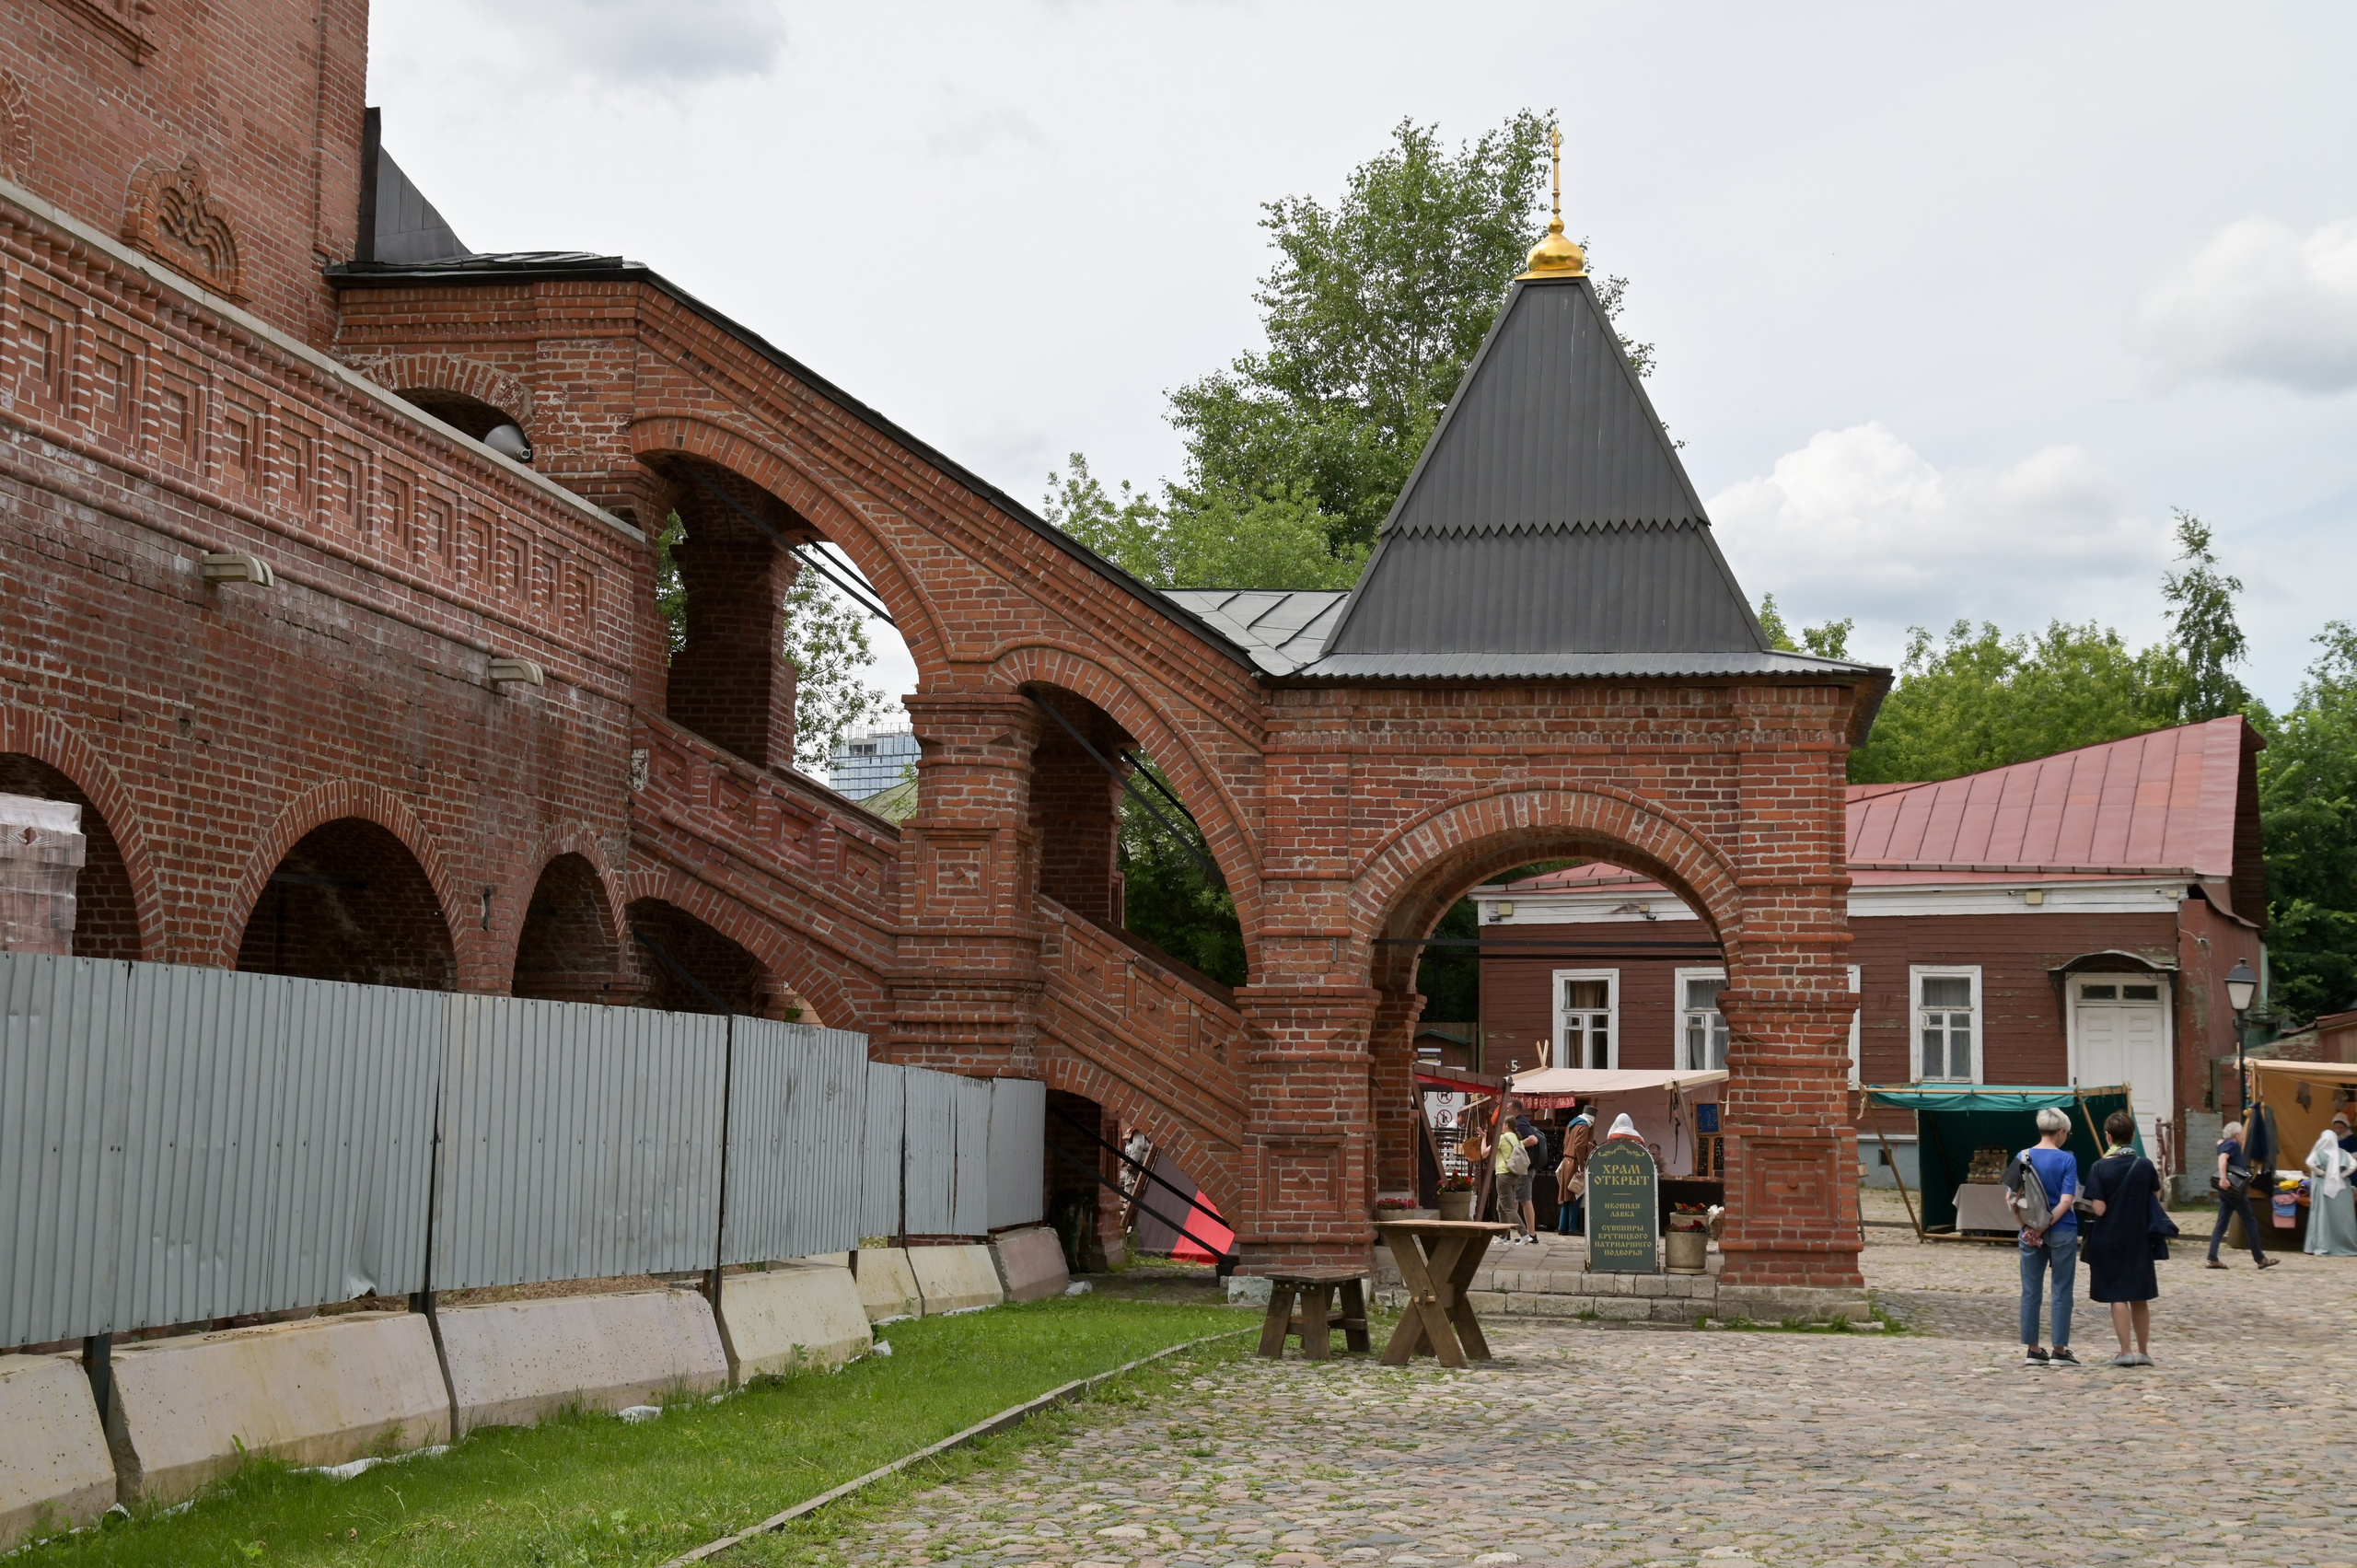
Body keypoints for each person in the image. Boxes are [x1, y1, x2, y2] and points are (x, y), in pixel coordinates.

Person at [2081, 1109, 2161, 1367]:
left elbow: (2100, 1209)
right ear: (2132, 1135)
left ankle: (2125, 1350)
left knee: (2118, 1295)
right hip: (2139, 1237)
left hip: (2110, 1238)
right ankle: (2144, 1351)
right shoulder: (2145, 1165)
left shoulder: (2100, 1167)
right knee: (2140, 1295)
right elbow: (2156, 1200)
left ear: (2108, 1136)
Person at [2014, 1107, 2082, 1365]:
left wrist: (2029, 1227)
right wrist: (2044, 1226)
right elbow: (2066, 1201)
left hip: (2029, 1231)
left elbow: (2011, 1198)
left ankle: (2033, 1349)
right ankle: (2060, 1350)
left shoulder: (2023, 1156)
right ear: (2061, 1132)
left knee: (2030, 1290)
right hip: (2062, 1228)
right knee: (2062, 1289)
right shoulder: (2067, 1160)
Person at [2207, 1119, 2280, 1270]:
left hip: (2227, 1192)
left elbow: (2221, 1152)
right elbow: (2222, 1159)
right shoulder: (2232, 1144)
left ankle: (2212, 1257)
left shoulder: (2224, 1144)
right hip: (2234, 1190)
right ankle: (2260, 1258)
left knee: (2221, 1224)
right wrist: (2223, 1178)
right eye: (2242, 1134)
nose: (2243, 1137)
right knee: (2250, 1222)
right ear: (2235, 1135)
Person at [2305, 1126, 2357, 1257]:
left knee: (2323, 1217)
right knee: (2342, 1218)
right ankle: (2344, 1244)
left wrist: (2322, 1172)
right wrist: (2342, 1175)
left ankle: (2322, 1245)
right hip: (2342, 1188)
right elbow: (2353, 1165)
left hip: (2323, 1186)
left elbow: (2309, 1163)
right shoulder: (2342, 1153)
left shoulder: (2318, 1152)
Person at [1557, 1103, 1596, 1236]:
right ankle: (1572, 1228)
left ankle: (1562, 1227)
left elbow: (1568, 1142)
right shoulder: (1584, 1126)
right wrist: (1581, 1166)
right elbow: (1579, 1147)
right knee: (1575, 1195)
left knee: (1567, 1198)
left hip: (1566, 1161)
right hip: (1574, 1163)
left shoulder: (1571, 1124)